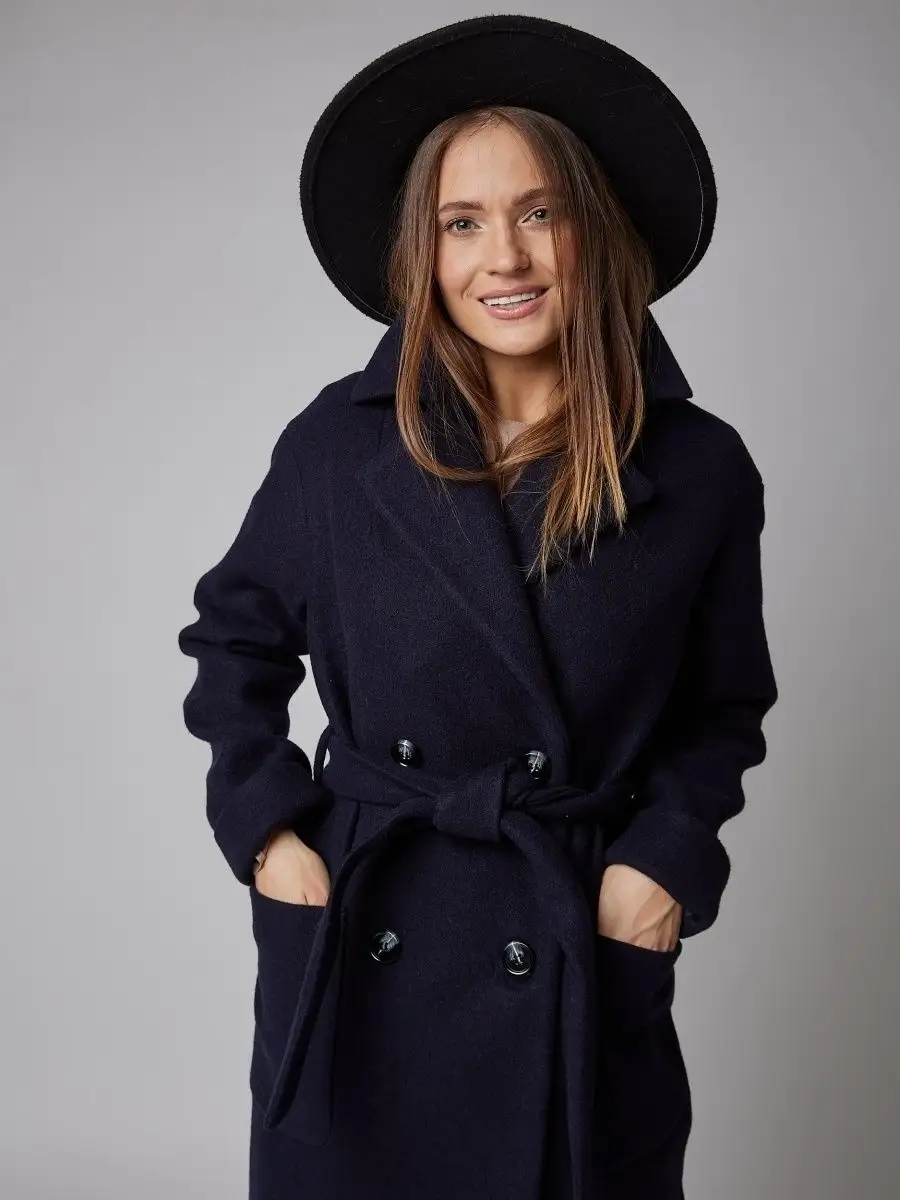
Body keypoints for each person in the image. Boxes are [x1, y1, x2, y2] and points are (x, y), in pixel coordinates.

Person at [177, 15, 778, 1200]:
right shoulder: (337, 448)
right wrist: (270, 834)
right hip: (368, 927)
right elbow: (232, 642)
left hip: (567, 926)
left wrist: (662, 862)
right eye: (462, 222)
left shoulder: (699, 468)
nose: (504, 257)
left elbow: (723, 711)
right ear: (425, 251)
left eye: (539, 212)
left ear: (595, 228)